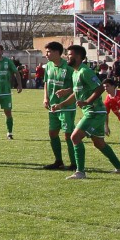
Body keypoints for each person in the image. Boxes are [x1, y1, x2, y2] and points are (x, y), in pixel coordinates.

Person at [51, 45, 120, 180]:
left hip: (95, 112)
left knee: (75, 137)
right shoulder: (75, 72)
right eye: (67, 54)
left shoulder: (85, 71)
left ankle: (80, 172)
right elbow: (77, 93)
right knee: (99, 143)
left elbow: (100, 88)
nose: (68, 57)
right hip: (91, 112)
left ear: (79, 57)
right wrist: (61, 104)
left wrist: (87, 102)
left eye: (70, 54)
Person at [42, 41, 76, 171]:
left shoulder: (68, 67)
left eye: (49, 52)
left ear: (57, 52)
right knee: (52, 133)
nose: (46, 54)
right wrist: (45, 97)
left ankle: (74, 163)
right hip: (53, 105)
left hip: (67, 107)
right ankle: (58, 161)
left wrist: (67, 91)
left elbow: (78, 86)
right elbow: (46, 82)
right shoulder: (49, 66)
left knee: (68, 135)